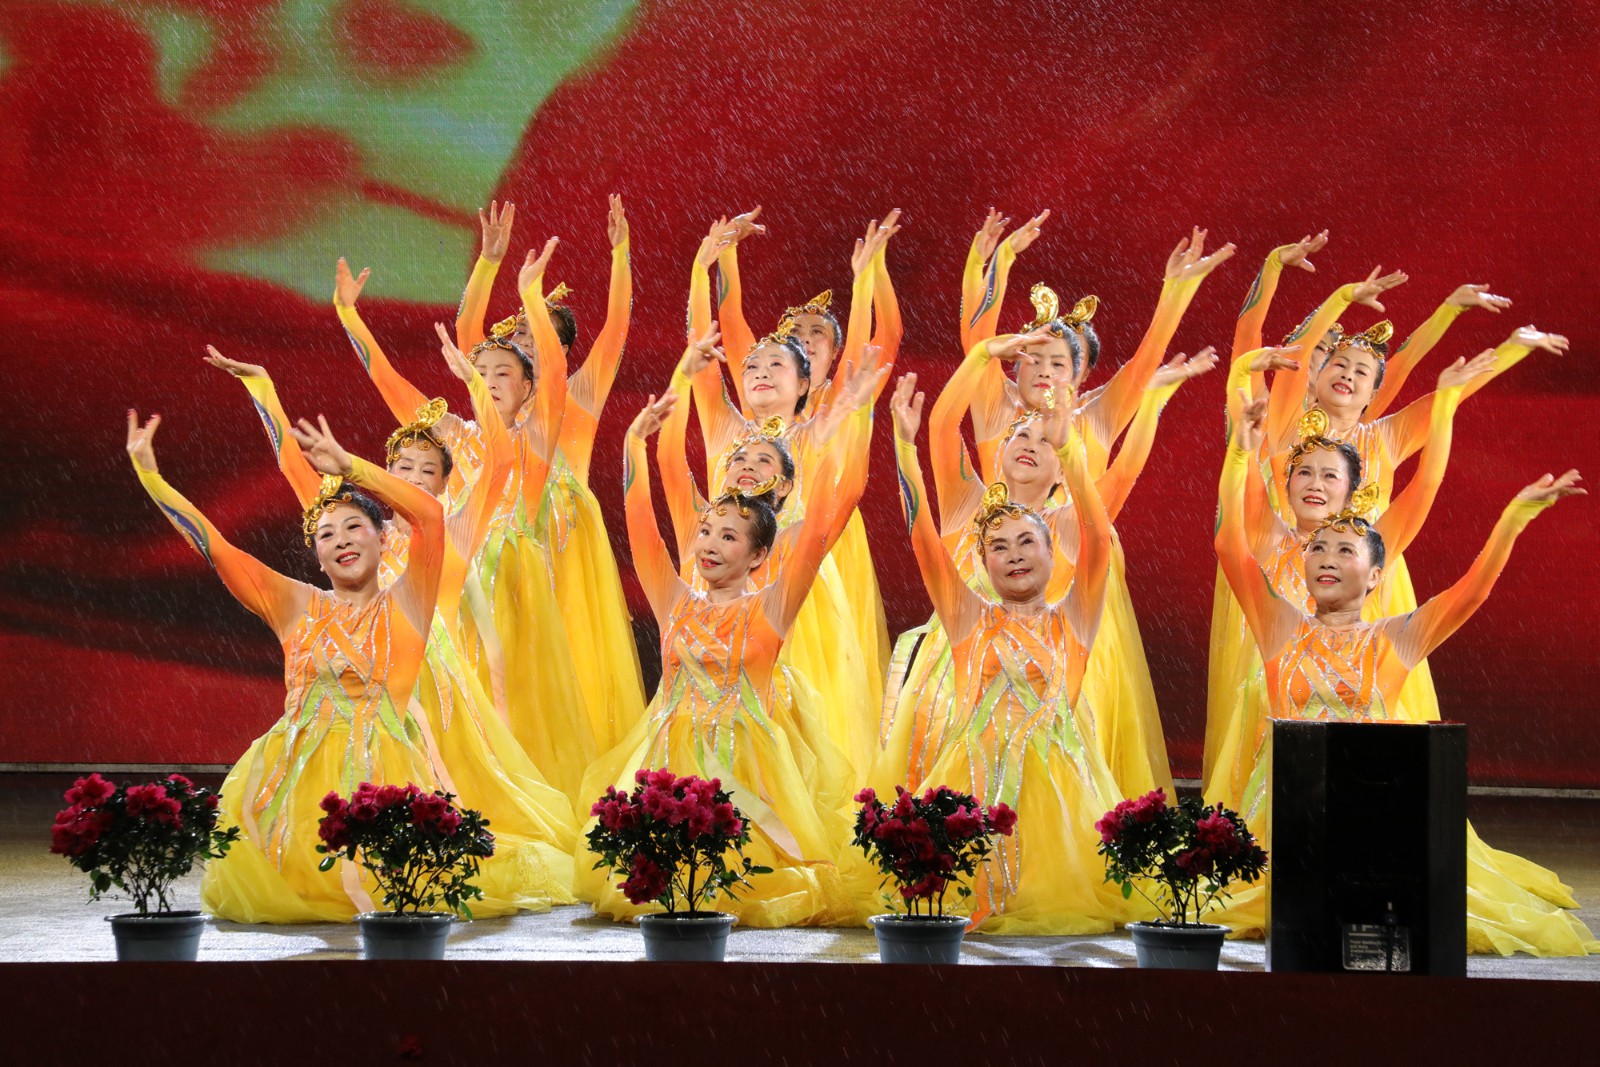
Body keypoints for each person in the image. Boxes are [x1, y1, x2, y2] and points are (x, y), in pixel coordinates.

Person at [204, 330, 581, 913]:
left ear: (444, 482)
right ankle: (342, 874)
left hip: (437, 685)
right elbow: (295, 470)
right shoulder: (362, 534)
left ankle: (421, 865)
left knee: (438, 792)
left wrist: (476, 388)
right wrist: (265, 392)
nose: (412, 477)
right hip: (369, 674)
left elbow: (503, 459)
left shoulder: (453, 532)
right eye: (402, 466)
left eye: (427, 470)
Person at [1216, 393, 1598, 955]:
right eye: (1318, 548)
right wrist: (1239, 455)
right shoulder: (1278, 627)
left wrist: (1512, 522)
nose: (1326, 558)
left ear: (1376, 576)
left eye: (1344, 551)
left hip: (1370, 804)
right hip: (1283, 811)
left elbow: (1471, 593)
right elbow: (1229, 543)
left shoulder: (1395, 638)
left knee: (1370, 918)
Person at [127, 408, 466, 922]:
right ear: (316, 553)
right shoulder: (294, 604)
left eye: (354, 527)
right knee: (299, 902)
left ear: (382, 538)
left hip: (382, 781)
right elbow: (215, 546)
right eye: (326, 535)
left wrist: (352, 468)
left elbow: (431, 517)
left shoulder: (409, 604)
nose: (342, 540)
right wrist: (152, 478)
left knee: (387, 902)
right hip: (293, 785)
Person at [574, 390, 870, 928]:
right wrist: (633, 444)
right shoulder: (673, 601)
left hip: (749, 760)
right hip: (670, 753)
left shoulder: (772, 608)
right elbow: (640, 525)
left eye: (728, 537)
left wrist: (831, 445)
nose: (708, 544)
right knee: (662, 885)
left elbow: (818, 530)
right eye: (706, 532)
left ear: (759, 555)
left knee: (746, 881)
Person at [877, 343, 1214, 796]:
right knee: (946, 789)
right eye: (1021, 435)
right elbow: (941, 428)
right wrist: (982, 355)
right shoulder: (967, 505)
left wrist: (1150, 401)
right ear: (1000, 451)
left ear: (1061, 472)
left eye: (1045, 442)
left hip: (1042, 676)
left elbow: (1124, 473)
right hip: (959, 670)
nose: (1031, 446)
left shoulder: (1068, 526)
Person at [333, 243, 597, 801]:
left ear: (528, 387)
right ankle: (446, 798)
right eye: (481, 372)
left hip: (516, 590)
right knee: (450, 699)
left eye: (504, 373)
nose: (491, 380)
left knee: (516, 699)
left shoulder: (537, 438)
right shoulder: (450, 436)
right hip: (452, 583)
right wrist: (349, 315)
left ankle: (513, 795)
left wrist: (527, 294)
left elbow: (551, 377)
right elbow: (389, 382)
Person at [888, 375, 1128, 934]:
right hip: (968, 778)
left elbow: (1097, 536)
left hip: (1058, 788)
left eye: (1026, 543)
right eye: (998, 546)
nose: (1014, 556)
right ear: (984, 561)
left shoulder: (1075, 617)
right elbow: (921, 534)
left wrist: (1070, 453)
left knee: (1048, 918)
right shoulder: (967, 616)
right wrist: (904, 446)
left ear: (1052, 552)